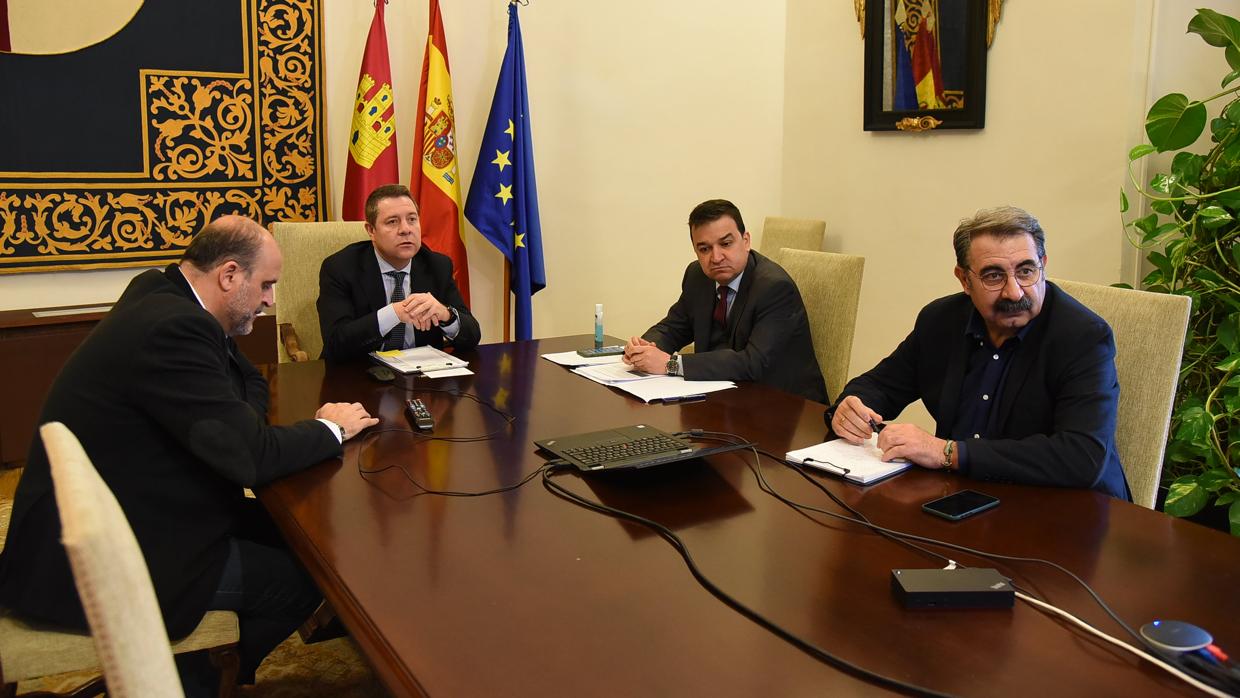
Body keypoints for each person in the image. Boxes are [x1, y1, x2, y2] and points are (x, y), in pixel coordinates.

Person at [0, 215, 380, 695]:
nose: (269, 300)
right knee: (309, 575)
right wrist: (331, 428)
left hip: (137, 503)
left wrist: (237, 422)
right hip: (106, 557)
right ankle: (197, 682)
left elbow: (251, 381)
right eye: (266, 285)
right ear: (228, 275)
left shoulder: (164, 292)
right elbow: (251, 456)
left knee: (303, 536)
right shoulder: (176, 327)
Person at [827, 206, 1130, 499]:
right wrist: (849, 409)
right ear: (964, 279)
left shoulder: (1083, 336)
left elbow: (1081, 457)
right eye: (994, 276)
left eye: (1026, 271)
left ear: (1044, 264)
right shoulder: (940, 321)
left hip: (1067, 510)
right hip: (966, 497)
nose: (1014, 291)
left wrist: (947, 452)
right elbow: (880, 385)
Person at [623, 199, 828, 404]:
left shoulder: (774, 288)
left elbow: (752, 363)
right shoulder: (698, 275)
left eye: (726, 244)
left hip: (784, 408)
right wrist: (645, 349)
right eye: (704, 249)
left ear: (746, 241)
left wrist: (671, 364)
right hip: (723, 398)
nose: (716, 257)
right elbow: (674, 327)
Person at [318, 183, 480, 362]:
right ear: (371, 230)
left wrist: (445, 315)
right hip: (359, 376)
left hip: (422, 379)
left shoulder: (437, 265)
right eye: (392, 222)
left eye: (412, 219)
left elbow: (472, 336)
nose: (405, 229)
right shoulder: (340, 268)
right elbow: (335, 343)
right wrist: (393, 313)